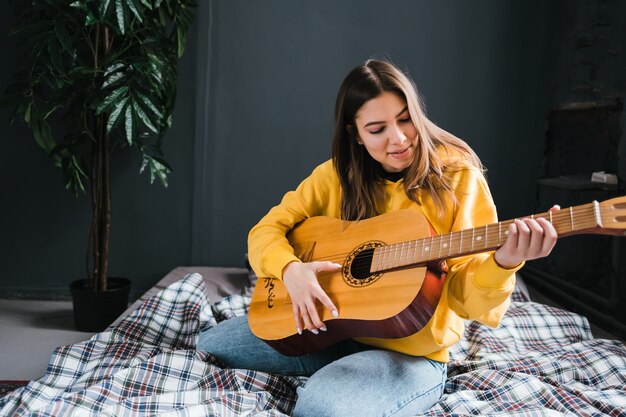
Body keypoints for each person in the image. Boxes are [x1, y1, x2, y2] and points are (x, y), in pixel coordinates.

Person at [197, 58, 559, 417]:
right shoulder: (336, 176)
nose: (399, 139)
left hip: (411, 354)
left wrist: (504, 263)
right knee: (211, 343)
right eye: (377, 129)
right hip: (334, 330)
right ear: (355, 133)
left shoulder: (458, 178)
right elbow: (265, 231)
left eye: (405, 120)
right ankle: (340, 369)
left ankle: (359, 382)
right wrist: (291, 269)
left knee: (323, 410)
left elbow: (469, 304)